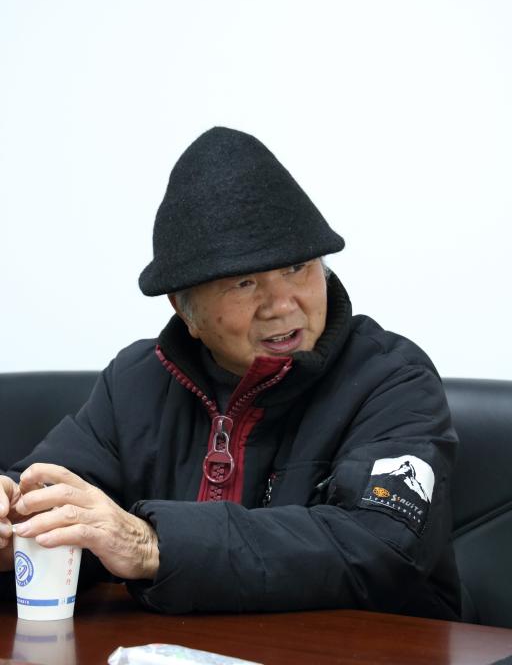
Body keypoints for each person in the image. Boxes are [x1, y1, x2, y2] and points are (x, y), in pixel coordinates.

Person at [0, 127, 461, 618]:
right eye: (244, 283)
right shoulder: (134, 382)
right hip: (173, 648)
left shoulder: (392, 378)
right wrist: (14, 526)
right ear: (185, 309)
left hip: (363, 647)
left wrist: (151, 544)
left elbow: (377, 545)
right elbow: (59, 503)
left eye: (298, 268)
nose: (282, 305)